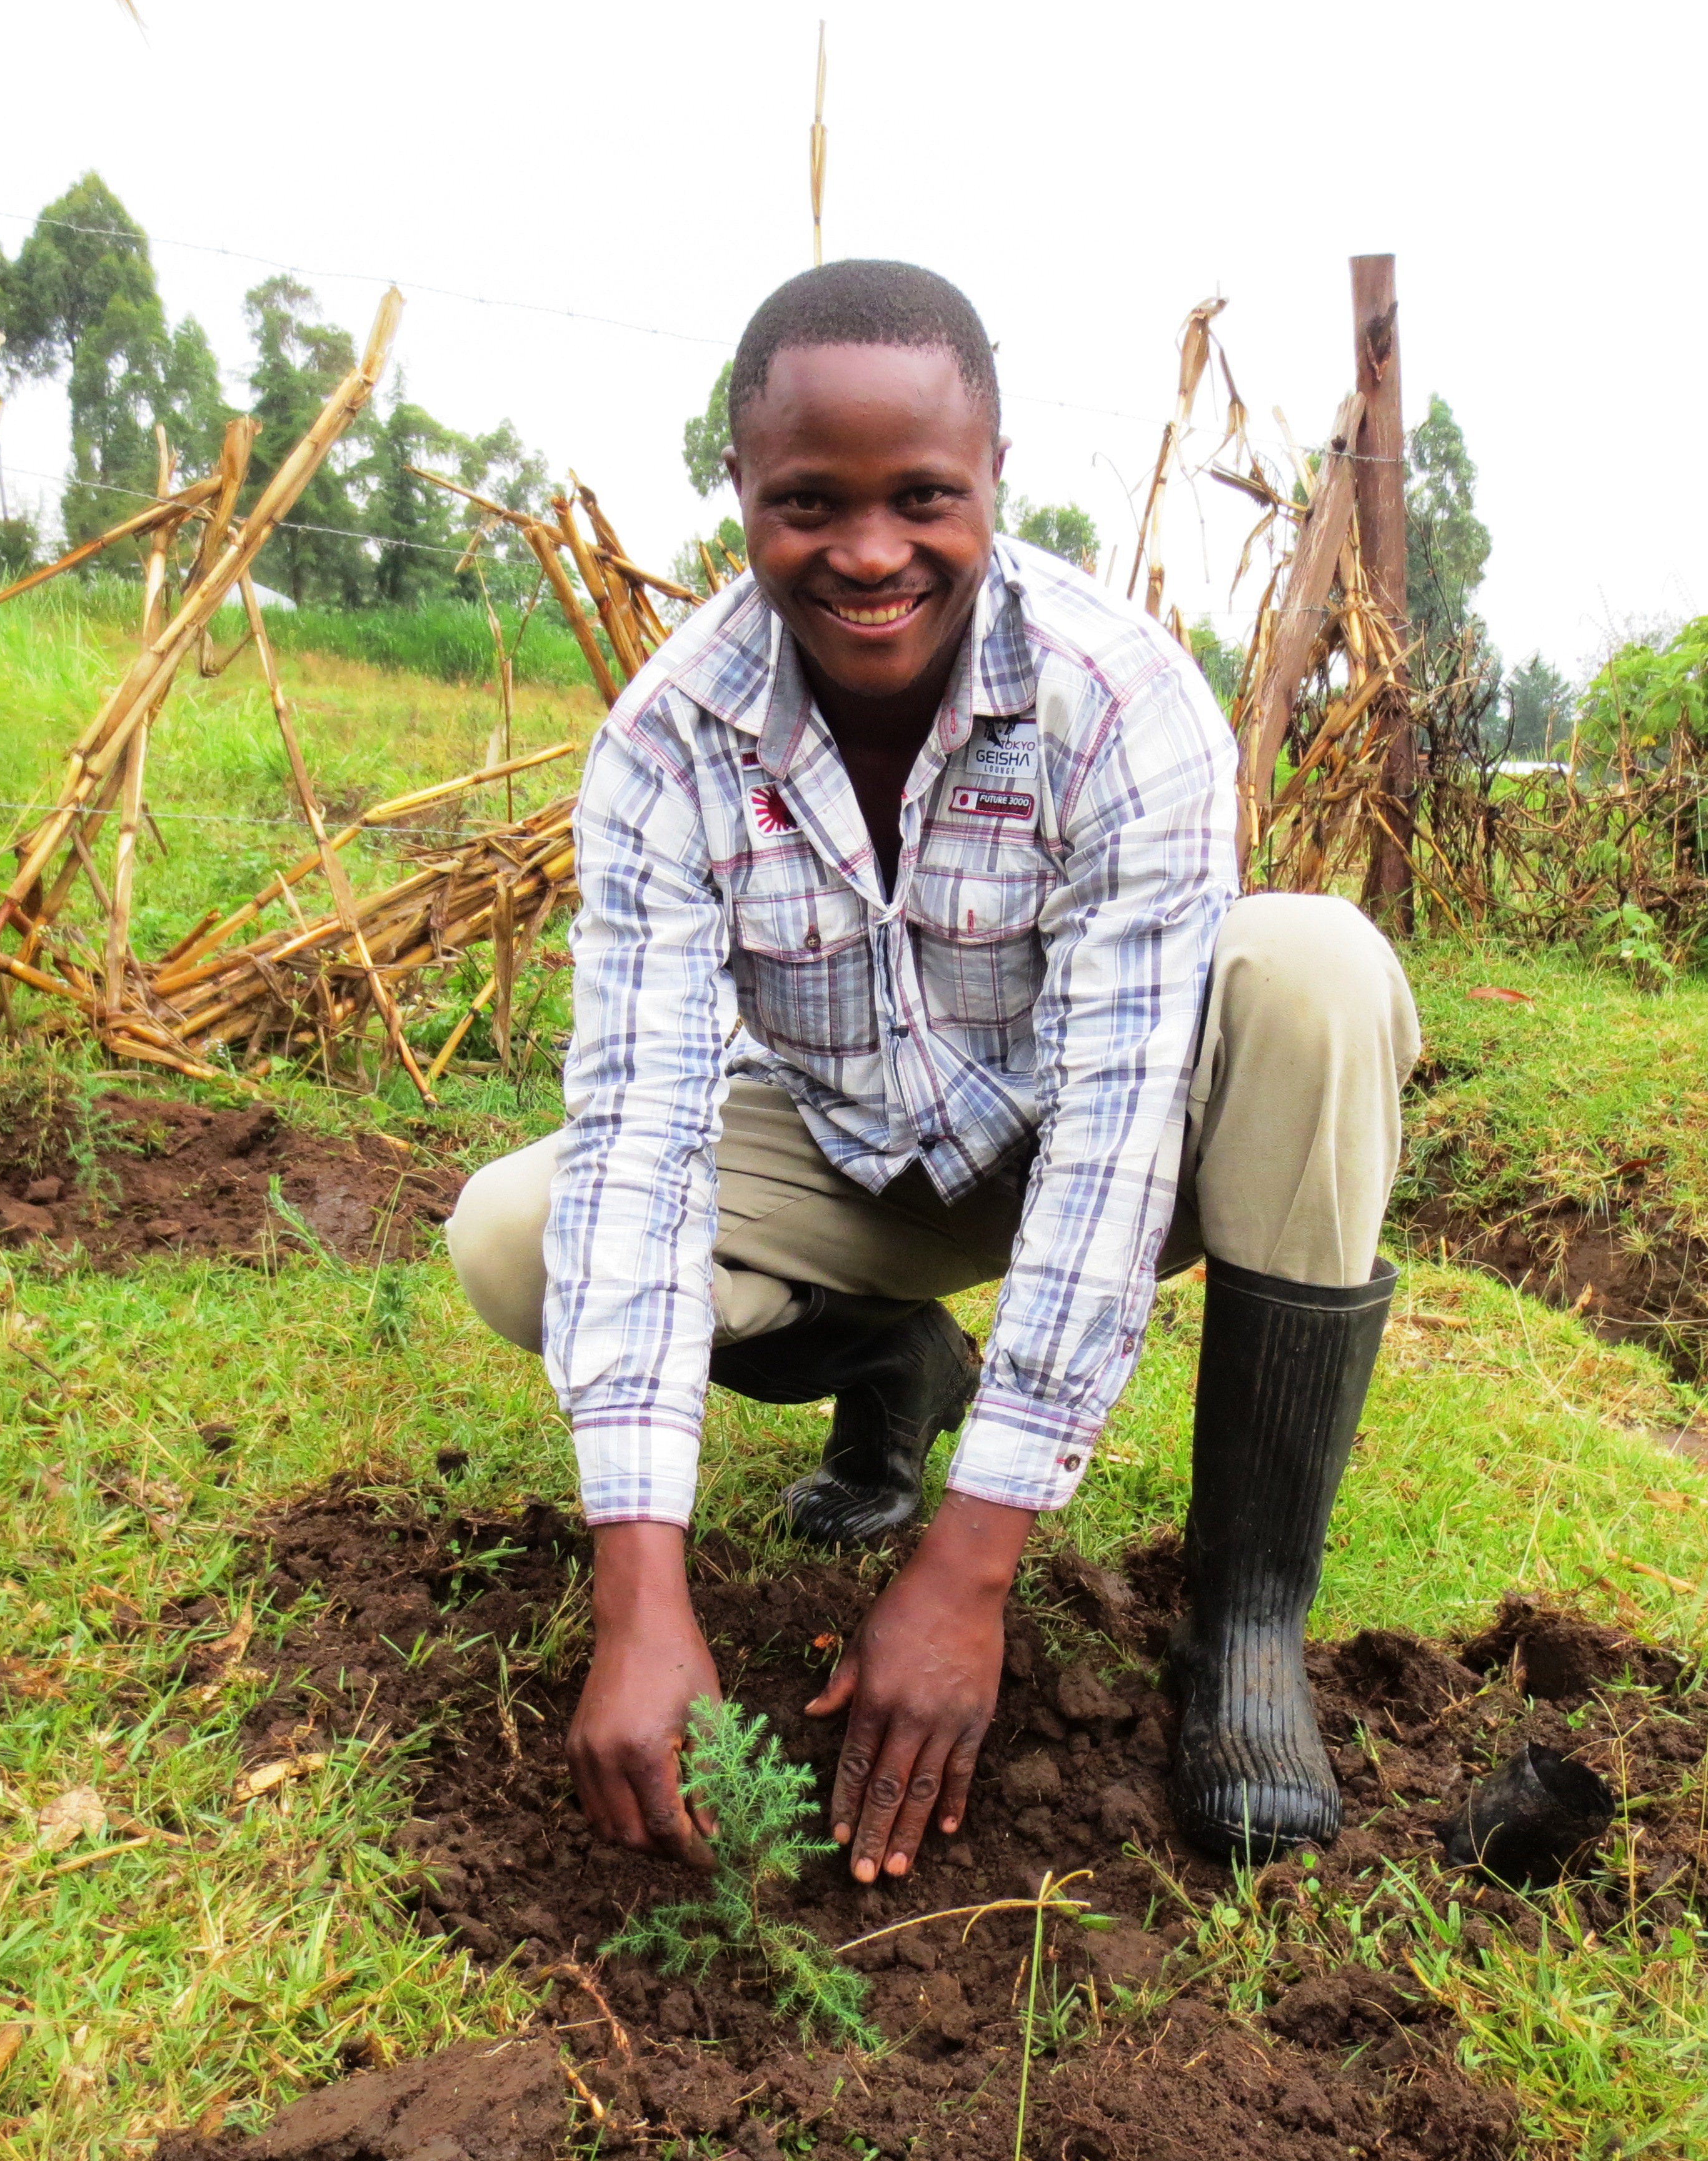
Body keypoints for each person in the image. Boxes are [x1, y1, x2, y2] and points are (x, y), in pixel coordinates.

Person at [446, 259, 1419, 1883]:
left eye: (923, 497)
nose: (870, 551)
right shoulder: (670, 746)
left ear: (994, 488)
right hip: (853, 1156)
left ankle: (1246, 1624)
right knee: (510, 1229)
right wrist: (642, 1594)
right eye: (809, 501)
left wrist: (968, 1570)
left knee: (1317, 967)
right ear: (743, 495)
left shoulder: (1119, 703)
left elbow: (1116, 1139)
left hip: (1093, 1142)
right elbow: (636, 1134)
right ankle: (892, 1362)